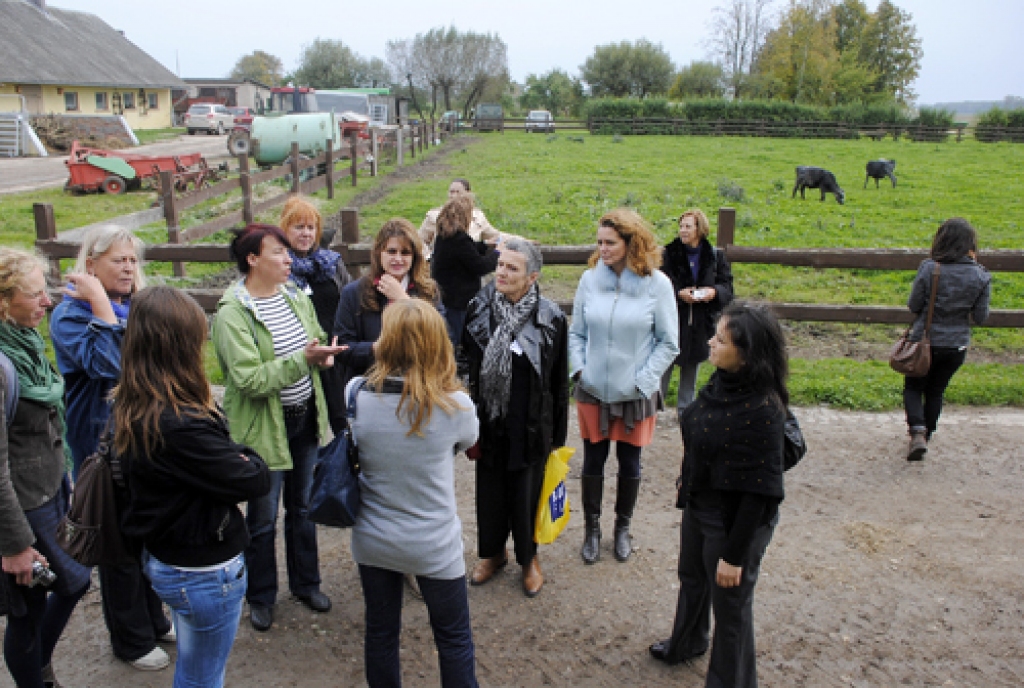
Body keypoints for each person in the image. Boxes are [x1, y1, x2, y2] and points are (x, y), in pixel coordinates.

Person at [115, 286, 271, 688]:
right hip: (203, 570)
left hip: (169, 555)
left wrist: (227, 455)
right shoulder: (180, 423)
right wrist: (245, 455)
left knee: (196, 662)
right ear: (179, 346)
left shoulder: (137, 402)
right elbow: (253, 478)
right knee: (202, 677)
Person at [49, 226, 173, 671]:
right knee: (118, 545)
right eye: (118, 260)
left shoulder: (133, 306)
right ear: (90, 265)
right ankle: (131, 640)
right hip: (102, 447)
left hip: (145, 438)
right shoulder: (70, 315)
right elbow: (109, 366)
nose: (128, 267)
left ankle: (154, 619)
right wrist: (102, 307)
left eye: (132, 260)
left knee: (147, 532)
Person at [212, 223, 344, 633]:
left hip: (303, 418)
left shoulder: (292, 296)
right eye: (279, 253)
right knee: (263, 517)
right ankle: (261, 596)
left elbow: (313, 338)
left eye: (289, 254)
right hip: (262, 430)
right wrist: (304, 360)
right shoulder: (232, 312)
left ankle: (306, 584)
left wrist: (323, 354)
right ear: (252, 260)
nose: (289, 260)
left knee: (302, 508)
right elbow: (249, 380)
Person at [649, 303, 788, 688]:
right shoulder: (720, 382)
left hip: (734, 521)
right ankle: (689, 640)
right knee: (692, 577)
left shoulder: (763, 411)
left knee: (731, 607)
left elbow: (761, 494)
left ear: (745, 356)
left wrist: (734, 556)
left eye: (720, 339)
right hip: (701, 502)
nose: (710, 342)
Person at [348, 299, 479, 687]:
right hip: (433, 542)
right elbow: (465, 444)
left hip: (373, 537)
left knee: (381, 633)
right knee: (453, 638)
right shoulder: (455, 405)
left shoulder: (356, 394)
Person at [0, 248, 91, 688]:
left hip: (49, 489)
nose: (47, 302)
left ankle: (37, 667)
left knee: (47, 596)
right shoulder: (2, 366)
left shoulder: (27, 342)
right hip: (23, 506)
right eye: (34, 294)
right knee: (38, 602)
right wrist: (15, 545)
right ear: (3, 302)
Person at [569, 208, 678, 564]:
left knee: (630, 464)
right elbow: (577, 333)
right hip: (593, 388)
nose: (603, 249)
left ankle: (622, 528)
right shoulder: (589, 281)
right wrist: (580, 370)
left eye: (610, 243)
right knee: (593, 462)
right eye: (599, 242)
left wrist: (644, 381)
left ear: (632, 243)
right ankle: (592, 529)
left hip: (636, 393)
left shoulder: (657, 285)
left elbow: (668, 342)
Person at [462, 240, 569, 598]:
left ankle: (529, 559)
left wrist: (557, 436)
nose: (501, 273)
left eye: (512, 268)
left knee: (527, 495)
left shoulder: (551, 317)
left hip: (530, 423)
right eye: (500, 265)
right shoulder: (478, 308)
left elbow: (558, 380)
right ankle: (494, 554)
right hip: (489, 419)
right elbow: (464, 364)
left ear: (532, 276)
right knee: (490, 492)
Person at [903, 218, 991, 461]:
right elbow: (981, 317)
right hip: (956, 344)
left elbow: (913, 305)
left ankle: (917, 431)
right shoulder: (981, 276)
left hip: (926, 341)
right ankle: (927, 433)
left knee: (913, 387)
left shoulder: (930, 268)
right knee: (936, 390)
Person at [333, 218, 444, 403]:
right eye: (391, 251)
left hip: (418, 391)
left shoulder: (428, 291)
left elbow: (442, 340)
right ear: (379, 253)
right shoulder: (353, 293)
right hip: (371, 392)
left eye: (405, 253)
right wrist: (376, 349)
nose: (398, 259)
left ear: (414, 256)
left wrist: (404, 300)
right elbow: (342, 348)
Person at [280, 196, 352, 432]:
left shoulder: (331, 263)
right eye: (298, 227)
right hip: (302, 351)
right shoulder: (280, 268)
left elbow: (349, 297)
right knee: (309, 422)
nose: (306, 234)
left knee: (343, 417)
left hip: (336, 345)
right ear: (284, 229)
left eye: (311, 228)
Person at [660, 209, 734, 424]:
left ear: (699, 229)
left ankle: (685, 411)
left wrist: (714, 292)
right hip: (674, 319)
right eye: (681, 226)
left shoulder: (715, 256)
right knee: (664, 363)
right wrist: (678, 294)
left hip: (700, 321)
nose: (683, 230)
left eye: (688, 226)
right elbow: (658, 285)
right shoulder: (668, 254)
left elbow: (727, 287)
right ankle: (653, 407)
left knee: (691, 366)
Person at [431, 194, 500, 342]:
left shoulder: (445, 237)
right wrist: (498, 253)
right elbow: (480, 266)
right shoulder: (460, 239)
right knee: (455, 339)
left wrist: (485, 244)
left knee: (450, 337)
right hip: (458, 301)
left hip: (446, 297)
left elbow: (467, 252)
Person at [418, 178, 500, 259]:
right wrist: (428, 257)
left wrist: (511, 240)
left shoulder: (478, 216)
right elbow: (419, 240)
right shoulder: (434, 216)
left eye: (458, 192)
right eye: (451, 192)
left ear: (468, 194)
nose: (454, 196)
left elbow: (494, 235)